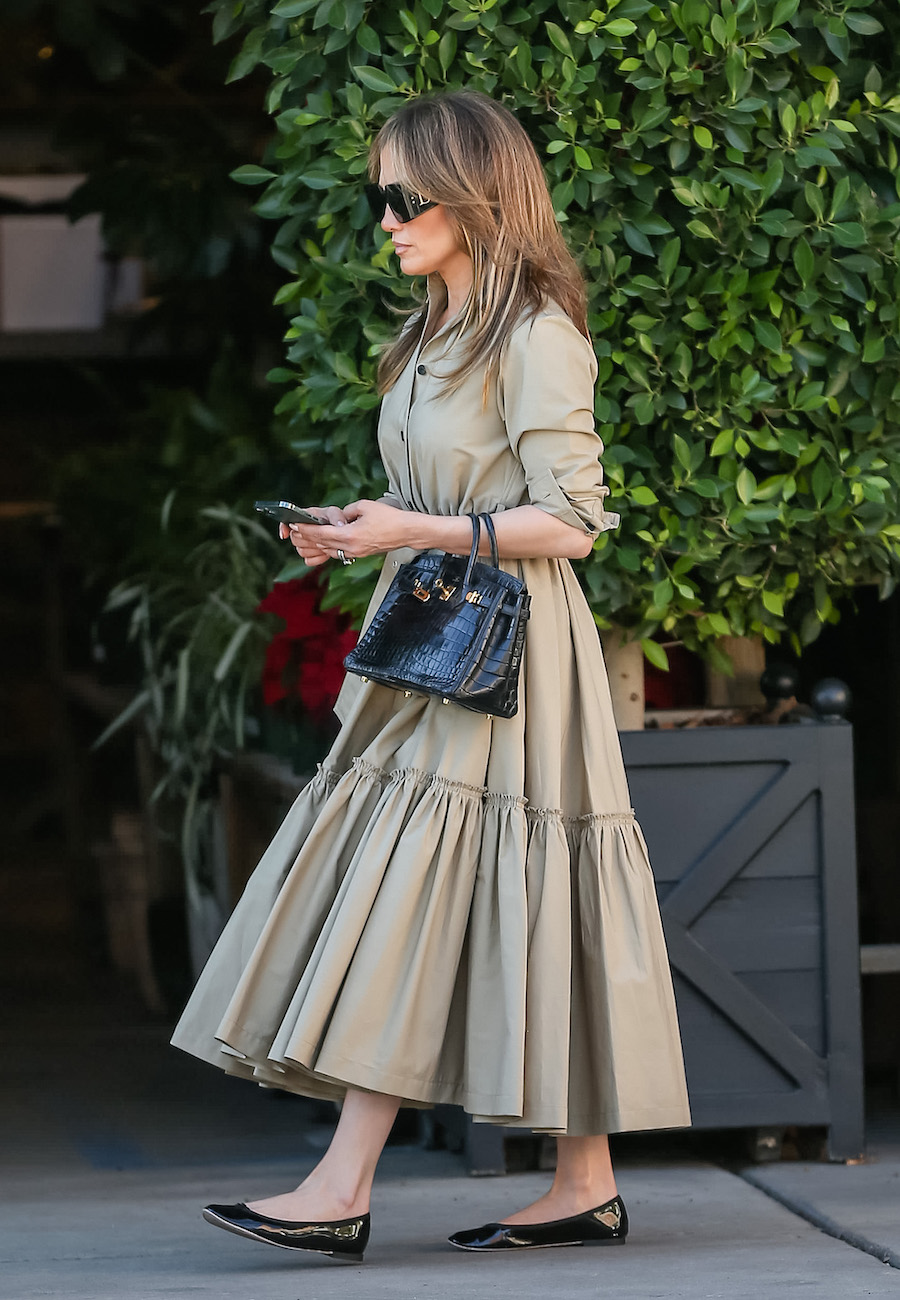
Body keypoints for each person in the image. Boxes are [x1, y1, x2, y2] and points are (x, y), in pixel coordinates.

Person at [171, 88, 690, 1262]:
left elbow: (570, 525)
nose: (387, 221)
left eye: (406, 199)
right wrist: (360, 528)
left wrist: (406, 530)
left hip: (507, 657)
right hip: (437, 643)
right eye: (381, 198)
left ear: (474, 197)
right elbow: (435, 508)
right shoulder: (429, 335)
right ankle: (584, 1181)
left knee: (411, 885)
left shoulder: (536, 336)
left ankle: (342, 1181)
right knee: (512, 892)